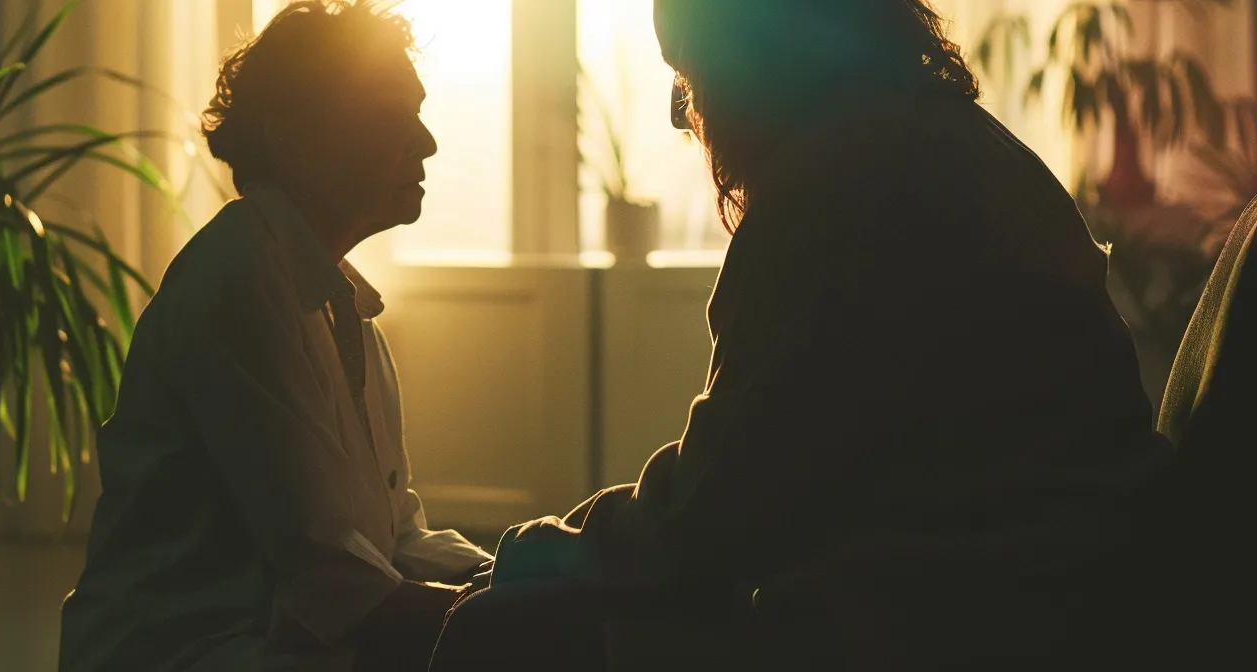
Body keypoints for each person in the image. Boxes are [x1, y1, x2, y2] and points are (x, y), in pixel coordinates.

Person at [431, 0, 1173, 669]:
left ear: (745, 65)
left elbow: (714, 513)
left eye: (688, 76)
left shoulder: (836, 188)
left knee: (496, 631)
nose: (682, 113)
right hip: (1071, 577)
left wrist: (543, 548)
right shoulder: (968, 147)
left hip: (963, 607)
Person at [58, 3, 492, 671]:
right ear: (293, 135)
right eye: (389, 111)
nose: (425, 140)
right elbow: (333, 575)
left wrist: (518, 577)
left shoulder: (342, 305)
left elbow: (395, 533)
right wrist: (530, 613)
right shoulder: (238, 279)